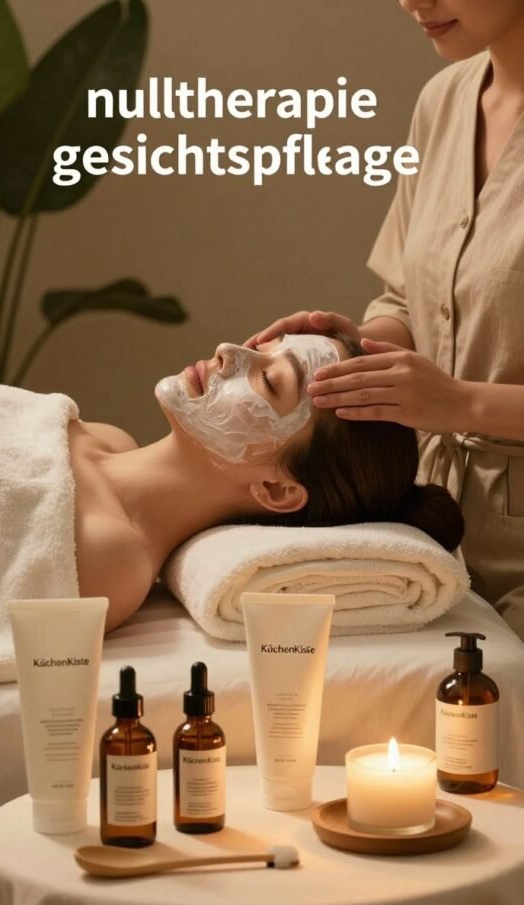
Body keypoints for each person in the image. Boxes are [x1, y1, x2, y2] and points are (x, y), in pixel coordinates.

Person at [246, 0, 524, 640]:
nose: (413, 2)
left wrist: (459, 404)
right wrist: (352, 351)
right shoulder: (444, 101)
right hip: (434, 540)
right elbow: (403, 298)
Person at [72, 333, 463, 632]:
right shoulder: (107, 437)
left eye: (270, 380)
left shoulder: (112, 559)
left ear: (278, 490)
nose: (228, 350)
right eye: (265, 345)